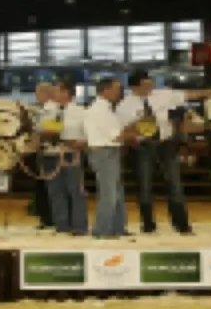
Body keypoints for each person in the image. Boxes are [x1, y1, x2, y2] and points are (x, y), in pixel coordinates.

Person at [115, 70, 211, 235]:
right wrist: (142, 125)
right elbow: (122, 131)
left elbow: (192, 95)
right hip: (142, 146)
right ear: (134, 86)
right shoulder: (124, 106)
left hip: (166, 143)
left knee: (175, 184)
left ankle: (182, 225)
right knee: (144, 187)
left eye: (150, 82)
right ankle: (148, 225)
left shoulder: (163, 94)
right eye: (145, 84)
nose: (149, 86)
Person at [83, 77, 139, 239]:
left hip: (108, 152)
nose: (119, 92)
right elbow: (116, 136)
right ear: (105, 90)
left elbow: (117, 132)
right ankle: (102, 229)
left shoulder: (105, 109)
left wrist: (135, 127)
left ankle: (117, 227)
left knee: (117, 192)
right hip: (105, 152)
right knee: (109, 194)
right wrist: (139, 132)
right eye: (116, 89)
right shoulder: (100, 110)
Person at [38, 80, 88, 235]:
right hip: (50, 153)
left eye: (57, 90)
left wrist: (81, 144)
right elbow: (39, 129)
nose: (53, 93)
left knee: (75, 190)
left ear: (66, 93)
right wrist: (43, 135)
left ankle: (79, 226)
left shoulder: (81, 111)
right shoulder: (48, 110)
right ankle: (61, 225)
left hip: (70, 153)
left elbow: (88, 134)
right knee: (55, 191)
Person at [29, 82, 56, 229]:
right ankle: (46, 218)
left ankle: (49, 218)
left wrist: (36, 136)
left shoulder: (52, 109)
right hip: (41, 152)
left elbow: (53, 131)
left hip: (49, 152)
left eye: (39, 93)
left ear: (46, 94)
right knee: (41, 186)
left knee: (47, 187)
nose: (37, 96)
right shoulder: (42, 109)